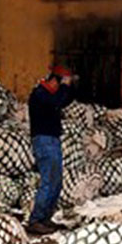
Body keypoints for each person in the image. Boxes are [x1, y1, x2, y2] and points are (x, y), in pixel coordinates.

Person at [26, 65, 76, 234]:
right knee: (48, 182)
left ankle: (46, 217)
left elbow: (64, 101)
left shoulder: (49, 94)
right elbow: (57, 101)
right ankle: (35, 219)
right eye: (60, 83)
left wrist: (68, 86)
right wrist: (64, 86)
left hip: (52, 141)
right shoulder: (40, 94)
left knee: (56, 181)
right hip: (44, 141)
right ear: (54, 80)